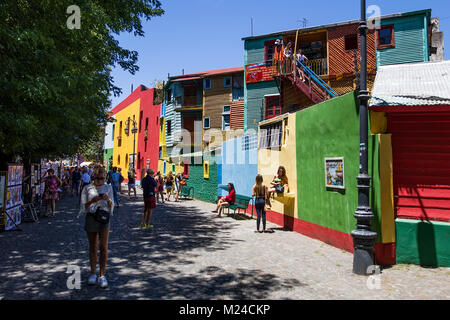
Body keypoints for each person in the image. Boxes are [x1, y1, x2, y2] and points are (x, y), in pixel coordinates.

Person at [79, 165, 114, 288]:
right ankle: (93, 272)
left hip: (104, 219)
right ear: (93, 177)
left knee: (103, 247)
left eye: (102, 178)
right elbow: (83, 206)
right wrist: (93, 200)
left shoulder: (108, 187)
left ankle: (102, 275)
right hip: (91, 217)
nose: (100, 181)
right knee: (93, 246)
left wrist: (108, 200)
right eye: (98, 178)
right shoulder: (87, 188)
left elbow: (112, 206)